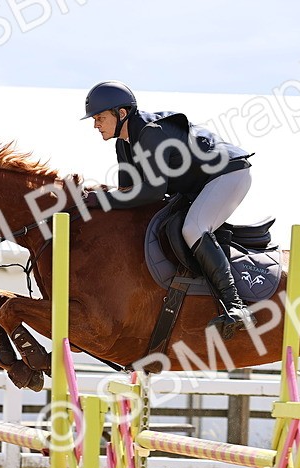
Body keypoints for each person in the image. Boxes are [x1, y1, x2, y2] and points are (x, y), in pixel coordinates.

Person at [80, 81, 254, 339]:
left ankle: (236, 307)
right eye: (95, 119)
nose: (96, 125)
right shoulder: (124, 145)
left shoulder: (152, 133)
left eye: (100, 118)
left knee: (194, 228)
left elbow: (151, 191)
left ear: (122, 114)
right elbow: (129, 193)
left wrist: (102, 200)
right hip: (198, 186)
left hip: (228, 174)